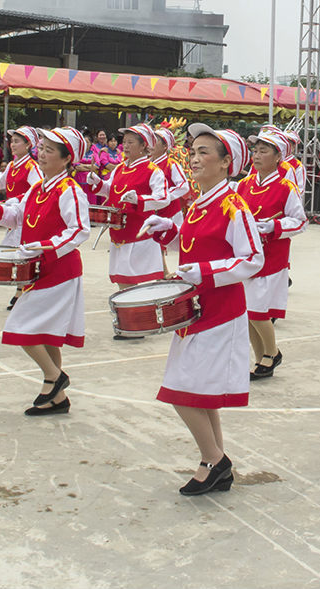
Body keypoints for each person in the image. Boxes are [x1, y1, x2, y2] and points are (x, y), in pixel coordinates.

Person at [139, 124, 264, 495]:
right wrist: (168, 229)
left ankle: (216, 461)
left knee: (180, 390)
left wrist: (206, 272)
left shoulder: (233, 205)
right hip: (194, 310)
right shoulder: (201, 201)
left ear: (227, 163)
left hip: (219, 312)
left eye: (205, 152)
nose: (194, 158)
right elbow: (196, 243)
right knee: (201, 392)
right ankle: (214, 461)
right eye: (193, 151)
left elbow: (253, 258)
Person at [0, 127, 91, 416]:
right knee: (47, 335)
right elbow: (16, 217)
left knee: (19, 328)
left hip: (59, 271)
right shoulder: (38, 188)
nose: (42, 153)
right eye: (42, 148)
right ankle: (57, 397)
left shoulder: (70, 190)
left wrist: (42, 247)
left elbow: (79, 231)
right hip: (38, 270)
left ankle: (54, 377)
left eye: (50, 150)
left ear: (66, 159)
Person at [236, 129, 306, 379]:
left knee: (257, 310)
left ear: (279, 156)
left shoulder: (286, 186)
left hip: (272, 257)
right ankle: (261, 358)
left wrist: (273, 226)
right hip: (247, 256)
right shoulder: (243, 184)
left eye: (263, 151)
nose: (256, 155)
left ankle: (273, 352)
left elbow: (300, 222)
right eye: (255, 151)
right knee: (247, 313)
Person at [93, 124, 168, 337]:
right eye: (124, 142)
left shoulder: (153, 170)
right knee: (122, 278)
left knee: (133, 279)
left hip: (138, 233)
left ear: (144, 145)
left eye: (130, 142)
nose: (125, 146)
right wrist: (97, 182)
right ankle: (130, 321)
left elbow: (163, 198)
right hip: (118, 231)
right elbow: (111, 188)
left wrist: (140, 200)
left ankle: (137, 322)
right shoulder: (119, 167)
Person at [0, 126, 44, 310]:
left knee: (22, 255)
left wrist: (17, 199)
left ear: (28, 144)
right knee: (15, 255)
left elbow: (37, 190)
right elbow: (0, 181)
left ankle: (24, 292)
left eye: (16, 141)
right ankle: (22, 290)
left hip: (27, 217)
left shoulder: (32, 167)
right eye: (11, 141)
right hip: (15, 217)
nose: (12, 145)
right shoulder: (13, 165)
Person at [150, 127, 192, 251]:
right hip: (152, 209)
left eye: (155, 141)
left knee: (175, 245)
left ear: (164, 147)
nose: (151, 144)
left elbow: (183, 186)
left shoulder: (171, 164)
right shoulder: (147, 164)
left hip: (170, 213)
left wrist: (165, 196)